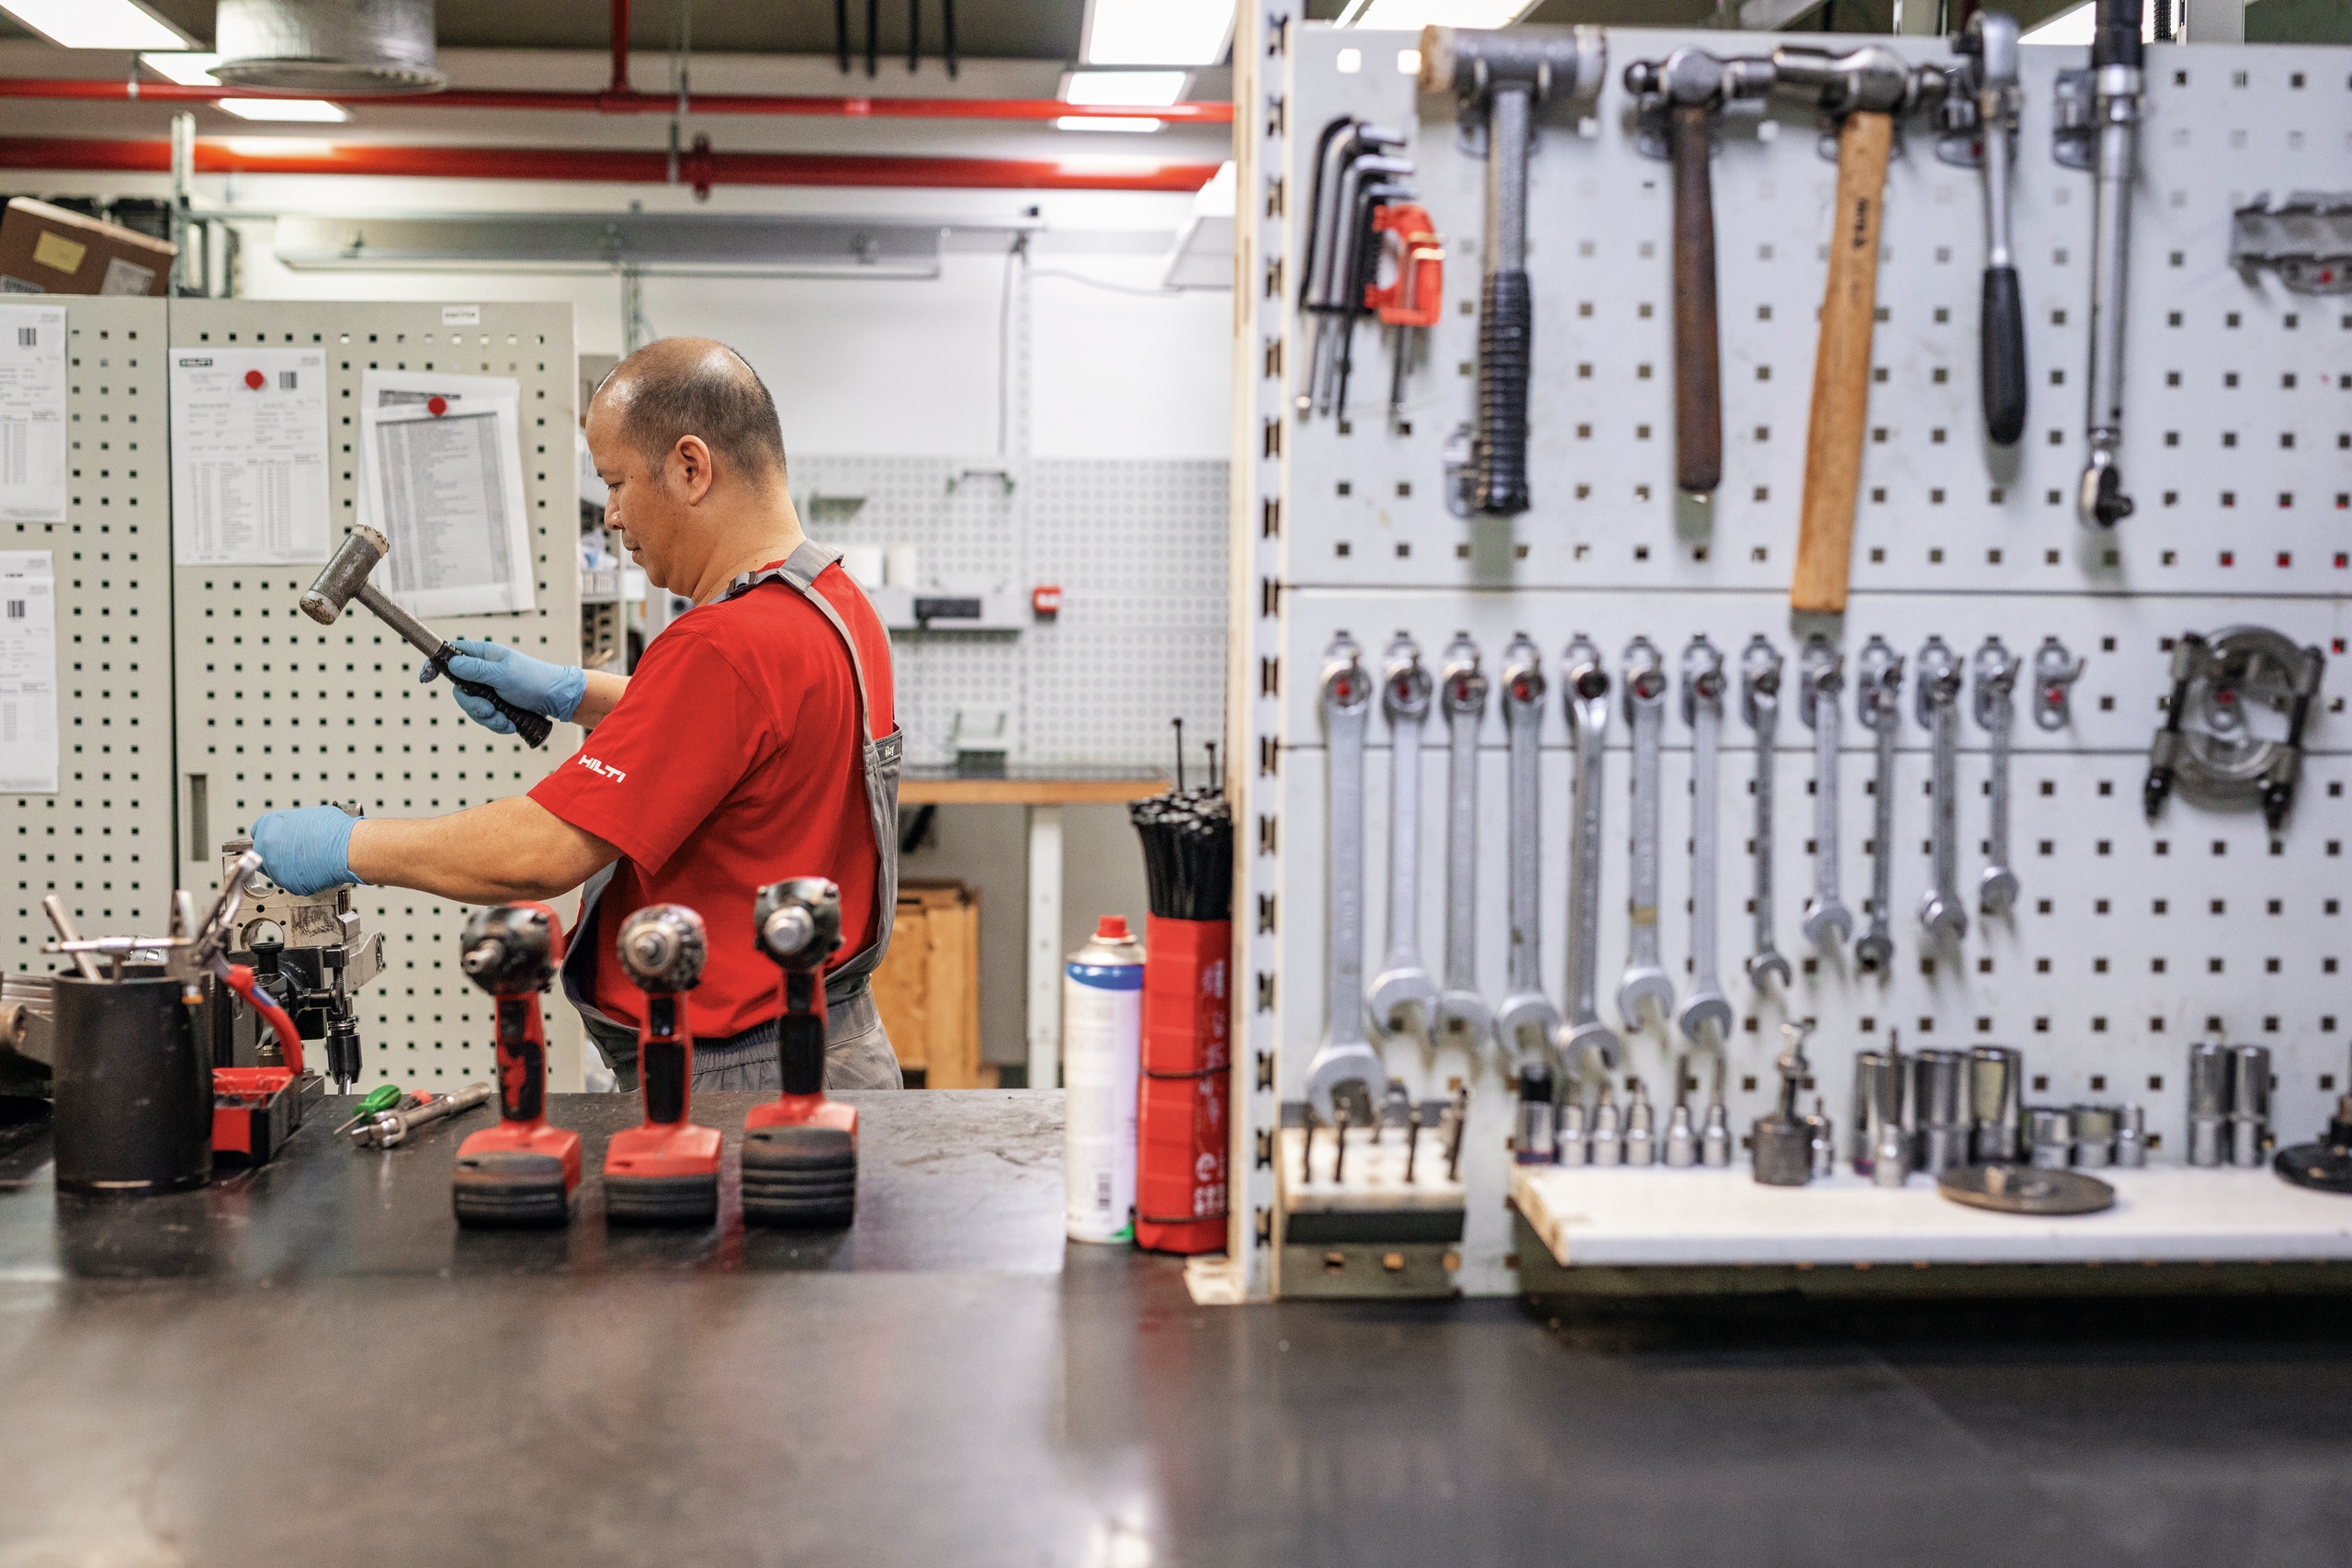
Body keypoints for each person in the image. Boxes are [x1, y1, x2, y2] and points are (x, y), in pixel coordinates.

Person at [249, 337, 902, 1090]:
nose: (613, 514)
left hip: (743, 1078)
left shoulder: (726, 645)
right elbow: (743, 734)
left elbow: (544, 850)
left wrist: (348, 844)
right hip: (828, 1044)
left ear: (692, 467)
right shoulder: (831, 603)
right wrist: (568, 692)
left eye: (617, 482)